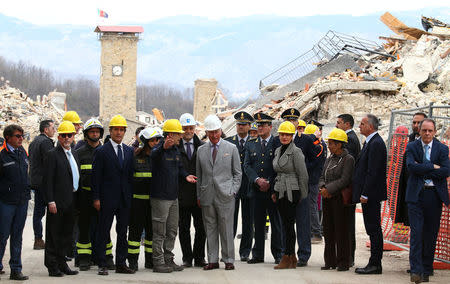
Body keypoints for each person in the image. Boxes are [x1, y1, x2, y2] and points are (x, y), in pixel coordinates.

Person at [405, 118, 449, 284]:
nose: (427, 134)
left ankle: (426, 269)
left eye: (430, 131)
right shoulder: (411, 147)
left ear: (435, 132)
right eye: (424, 130)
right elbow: (411, 168)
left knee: (430, 234)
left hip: (434, 196)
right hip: (416, 196)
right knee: (416, 234)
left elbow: (446, 171)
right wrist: (432, 166)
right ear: (420, 131)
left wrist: (423, 167)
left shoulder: (442, 149)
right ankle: (416, 271)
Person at [150, 119, 197, 273]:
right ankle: (158, 262)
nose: (181, 137)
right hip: (160, 198)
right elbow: (153, 157)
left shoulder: (176, 150)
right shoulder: (159, 148)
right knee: (159, 231)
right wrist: (163, 147)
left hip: (173, 197)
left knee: (171, 230)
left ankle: (168, 259)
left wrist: (186, 176)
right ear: (170, 134)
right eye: (178, 134)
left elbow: (180, 167)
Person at [196, 115, 242, 271]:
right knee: (210, 228)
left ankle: (228, 259)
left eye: (216, 132)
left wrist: (233, 191)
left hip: (226, 196)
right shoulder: (201, 150)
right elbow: (199, 175)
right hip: (207, 195)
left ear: (221, 131)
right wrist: (199, 195)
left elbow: (238, 173)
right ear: (207, 133)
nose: (214, 135)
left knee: (226, 228)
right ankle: (212, 260)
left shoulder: (231, 148)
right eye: (211, 133)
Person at [92, 115, 135, 276]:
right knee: (104, 231)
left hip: (124, 199)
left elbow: (130, 176)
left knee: (123, 232)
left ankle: (121, 263)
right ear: (110, 131)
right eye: (116, 129)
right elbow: (95, 177)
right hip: (106, 198)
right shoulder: (102, 151)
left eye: (121, 130)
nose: (118, 132)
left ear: (124, 132)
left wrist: (129, 196)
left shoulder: (129, 151)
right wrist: (96, 198)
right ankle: (102, 263)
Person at [74, 118, 115, 271]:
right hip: (84, 197)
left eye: (97, 131)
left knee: (104, 228)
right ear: (86, 134)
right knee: (84, 228)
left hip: (103, 197)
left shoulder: (106, 151)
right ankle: (84, 258)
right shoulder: (78, 153)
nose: (95, 134)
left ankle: (106, 257)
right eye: (92, 131)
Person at [244, 112, 283, 265]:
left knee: (276, 224)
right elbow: (247, 166)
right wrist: (257, 180)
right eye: (258, 125)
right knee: (258, 224)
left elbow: (280, 166)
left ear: (270, 127)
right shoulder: (251, 144)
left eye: (263, 125)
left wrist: (269, 181)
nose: (259, 127)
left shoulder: (278, 143)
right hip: (256, 189)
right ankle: (258, 254)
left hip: (273, 190)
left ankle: (278, 253)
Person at [43, 121, 80, 277]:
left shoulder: (74, 153)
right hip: (57, 202)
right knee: (54, 235)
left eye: (69, 135)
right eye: (63, 135)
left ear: (73, 136)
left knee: (66, 234)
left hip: (71, 200)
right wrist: (50, 201)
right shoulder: (52, 154)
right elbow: (48, 180)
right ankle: (52, 266)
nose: (66, 138)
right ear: (58, 137)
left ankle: (62, 263)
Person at [271, 121, 308, 269]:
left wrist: (302, 194)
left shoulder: (296, 151)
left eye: (287, 134)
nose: (284, 137)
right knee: (285, 224)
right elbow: (276, 172)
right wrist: (274, 190)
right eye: (282, 134)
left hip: (292, 191)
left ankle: (287, 256)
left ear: (292, 136)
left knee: (288, 225)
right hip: (280, 189)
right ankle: (291, 257)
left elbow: (303, 174)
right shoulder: (278, 150)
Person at [353, 114, 387, 275]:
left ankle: (375, 264)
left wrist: (365, 193)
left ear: (370, 126)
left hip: (372, 195)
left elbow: (373, 172)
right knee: (371, 228)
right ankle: (374, 262)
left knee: (374, 229)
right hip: (369, 194)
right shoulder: (370, 142)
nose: (359, 126)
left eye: (362, 124)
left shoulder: (376, 143)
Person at [319, 128, 354, 272]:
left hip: (340, 199)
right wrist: (322, 188)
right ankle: (329, 261)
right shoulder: (329, 159)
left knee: (341, 231)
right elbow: (322, 176)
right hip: (327, 198)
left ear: (340, 144)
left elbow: (345, 179)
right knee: (328, 230)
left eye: (332, 143)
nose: (329, 146)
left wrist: (329, 190)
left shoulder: (348, 159)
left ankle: (343, 262)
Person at [127, 127, 162, 271]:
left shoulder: (158, 158)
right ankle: (133, 262)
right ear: (146, 142)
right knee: (135, 234)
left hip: (153, 202)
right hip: (137, 203)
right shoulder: (135, 157)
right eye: (153, 140)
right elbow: (129, 180)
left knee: (151, 234)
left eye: (157, 140)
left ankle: (150, 261)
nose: (156, 142)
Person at [0, 125, 30, 280]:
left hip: (22, 202)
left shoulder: (22, 152)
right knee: (2, 235)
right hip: (6, 202)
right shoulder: (2, 156)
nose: (21, 138)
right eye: (18, 136)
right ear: (8, 138)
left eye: (22, 136)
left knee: (17, 236)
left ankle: (16, 269)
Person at [177, 113, 206, 268]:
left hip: (198, 195)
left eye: (190, 128)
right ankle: (187, 257)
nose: (188, 131)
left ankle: (199, 257)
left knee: (201, 228)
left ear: (195, 128)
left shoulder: (202, 146)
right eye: (185, 128)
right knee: (184, 228)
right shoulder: (175, 147)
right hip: (181, 195)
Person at [225, 111, 254, 262]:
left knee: (248, 220)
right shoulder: (229, 142)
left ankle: (245, 251)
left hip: (249, 186)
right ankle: (229, 250)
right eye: (238, 124)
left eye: (243, 125)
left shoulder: (254, 142)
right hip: (233, 187)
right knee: (231, 220)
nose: (240, 127)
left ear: (249, 126)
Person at [336, 113, 361, 266]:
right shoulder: (350, 137)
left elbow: (346, 165)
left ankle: (348, 257)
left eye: (339, 123)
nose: (337, 125)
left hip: (346, 187)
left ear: (347, 124)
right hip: (346, 186)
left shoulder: (349, 139)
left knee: (347, 224)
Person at [396, 112, 427, 226]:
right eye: (414, 122)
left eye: (419, 122)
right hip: (409, 189)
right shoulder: (410, 140)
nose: (416, 125)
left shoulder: (433, 145)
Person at [28, 119, 55, 250]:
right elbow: (50, 162)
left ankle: (38, 238)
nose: (54, 130)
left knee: (38, 213)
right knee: (51, 212)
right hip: (44, 183)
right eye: (52, 128)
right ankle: (45, 239)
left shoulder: (33, 142)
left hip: (35, 182)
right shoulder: (46, 143)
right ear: (45, 129)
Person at [304, 124, 327, 244]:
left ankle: (316, 233)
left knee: (312, 206)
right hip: (311, 179)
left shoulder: (319, 146)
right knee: (310, 205)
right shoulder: (317, 145)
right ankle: (311, 231)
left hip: (313, 180)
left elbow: (309, 161)